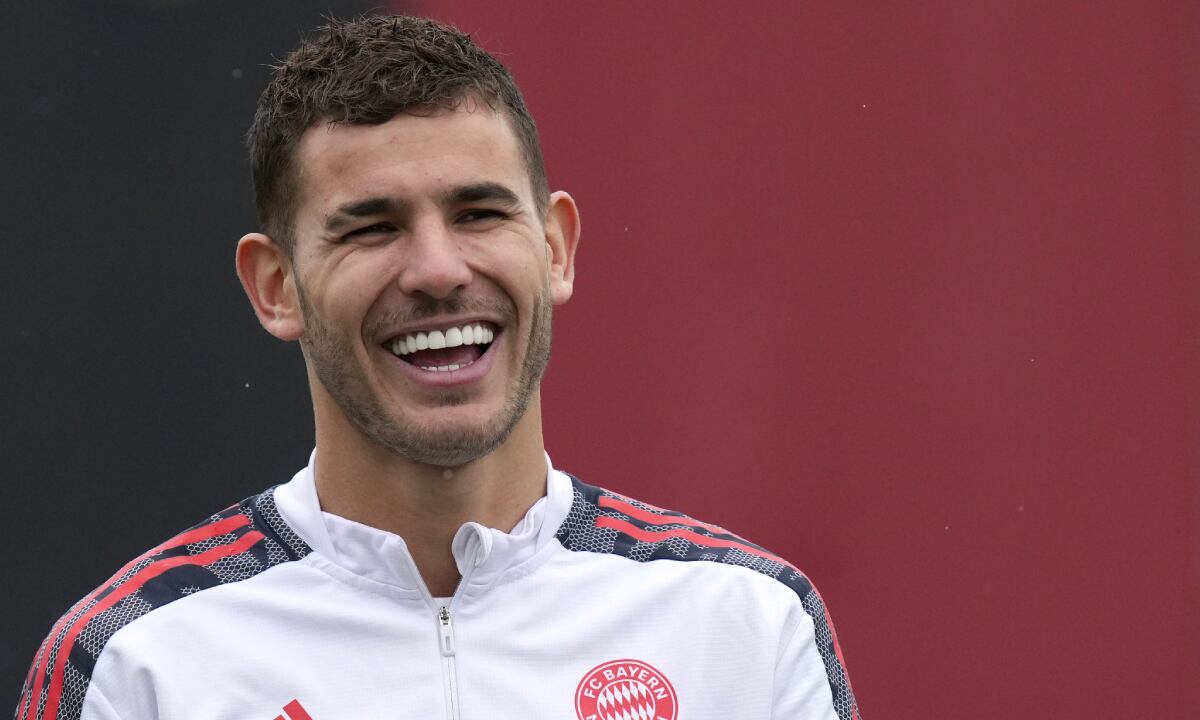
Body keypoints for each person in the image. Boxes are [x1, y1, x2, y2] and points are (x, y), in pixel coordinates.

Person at [16, 14, 860, 720]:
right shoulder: (136, 662)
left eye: (479, 212)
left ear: (556, 248)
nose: (437, 270)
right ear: (277, 288)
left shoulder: (743, 627)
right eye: (371, 228)